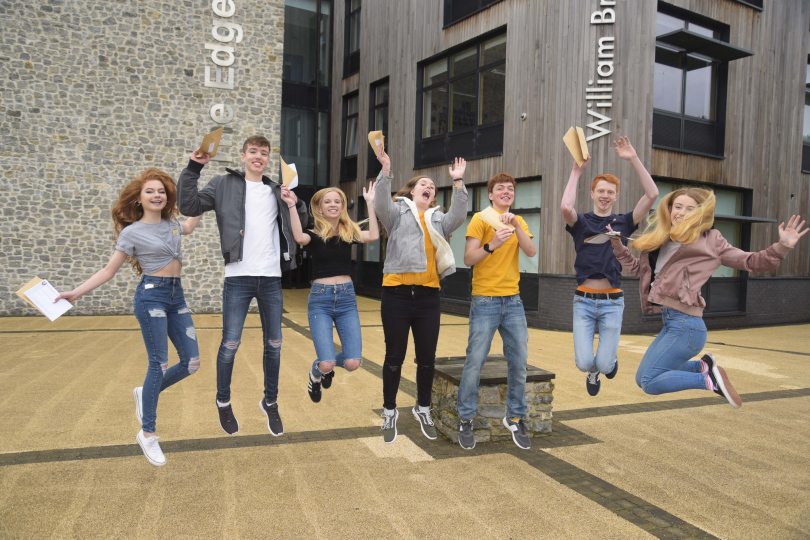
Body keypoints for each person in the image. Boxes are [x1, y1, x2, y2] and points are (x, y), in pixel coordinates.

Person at [55, 169, 203, 466]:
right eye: (150, 191)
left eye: (161, 191)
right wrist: (75, 293)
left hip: (177, 297)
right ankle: (148, 433)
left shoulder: (172, 224)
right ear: (139, 198)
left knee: (192, 363)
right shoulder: (131, 232)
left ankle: (144, 391)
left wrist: (203, 197)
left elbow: (189, 224)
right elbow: (108, 271)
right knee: (158, 364)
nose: (157, 195)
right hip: (152, 297)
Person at [607, 190, 807, 407]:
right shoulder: (662, 239)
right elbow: (640, 271)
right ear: (669, 210)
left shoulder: (710, 240)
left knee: (650, 381)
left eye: (690, 208)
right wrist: (618, 247)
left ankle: (708, 380)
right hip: (671, 323)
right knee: (641, 378)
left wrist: (783, 247)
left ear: (700, 213)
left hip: (687, 327)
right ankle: (702, 367)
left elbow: (751, 261)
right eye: (678, 206)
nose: (681, 212)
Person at [177, 136, 308, 437]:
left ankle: (270, 402)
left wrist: (295, 203)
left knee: (274, 344)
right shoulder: (224, 184)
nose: (258, 157)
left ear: (268, 158)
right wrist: (194, 167)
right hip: (238, 276)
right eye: (253, 152)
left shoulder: (277, 190)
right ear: (243, 156)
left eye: (264, 153)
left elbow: (299, 222)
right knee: (230, 344)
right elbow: (189, 203)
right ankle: (223, 401)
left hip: (271, 278)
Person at [373, 146, 468, 444]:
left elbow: (460, 212)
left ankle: (422, 407)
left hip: (428, 296)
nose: (428, 187)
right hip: (396, 294)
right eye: (423, 184)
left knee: (427, 358)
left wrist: (458, 182)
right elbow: (378, 203)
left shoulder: (439, 219)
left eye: (432, 186)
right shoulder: (396, 213)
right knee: (393, 358)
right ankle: (390, 410)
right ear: (412, 191)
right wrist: (385, 169)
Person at [561, 136, 659, 396]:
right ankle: (592, 371)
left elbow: (652, 195)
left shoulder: (624, 221)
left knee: (605, 364)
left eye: (610, 192)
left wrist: (633, 159)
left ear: (616, 196)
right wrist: (575, 171)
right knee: (584, 363)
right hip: (583, 301)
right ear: (593, 194)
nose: (605, 195)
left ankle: (607, 364)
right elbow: (564, 206)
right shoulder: (581, 222)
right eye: (600, 191)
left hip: (612, 302)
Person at [456, 173, 537, 450]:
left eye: (510, 189)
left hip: (513, 301)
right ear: (491, 195)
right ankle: (465, 419)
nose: (506, 192)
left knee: (519, 360)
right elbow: (468, 258)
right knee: (475, 360)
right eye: (500, 188)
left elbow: (531, 251)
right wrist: (493, 245)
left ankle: (515, 417)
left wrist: (516, 226)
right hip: (485, 301)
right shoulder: (480, 219)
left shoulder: (518, 221)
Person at [282, 185, 379, 402]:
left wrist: (370, 203)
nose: (333, 205)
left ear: (343, 206)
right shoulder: (314, 234)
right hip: (320, 300)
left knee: (353, 363)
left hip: (347, 299)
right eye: (327, 202)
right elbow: (298, 237)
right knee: (326, 363)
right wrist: (290, 205)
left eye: (337, 201)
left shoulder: (348, 233)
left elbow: (373, 234)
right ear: (318, 208)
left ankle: (328, 367)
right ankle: (317, 372)